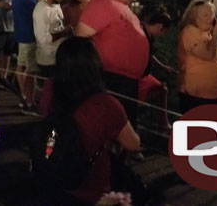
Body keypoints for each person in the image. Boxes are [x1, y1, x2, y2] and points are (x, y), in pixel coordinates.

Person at [36, 37, 141, 205]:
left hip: (53, 171)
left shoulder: (50, 87)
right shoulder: (106, 104)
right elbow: (133, 144)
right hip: (91, 188)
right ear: (95, 64)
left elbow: (46, 114)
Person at [75, 0, 149, 127]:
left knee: (124, 122)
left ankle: (125, 148)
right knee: (116, 123)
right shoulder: (103, 3)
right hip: (113, 78)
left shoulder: (120, 5)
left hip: (126, 79)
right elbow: (80, 37)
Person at [177, 0, 217, 113]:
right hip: (196, 97)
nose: (210, 18)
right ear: (194, 17)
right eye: (205, 15)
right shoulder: (190, 32)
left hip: (211, 96)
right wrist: (216, 34)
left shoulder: (205, 34)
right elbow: (208, 55)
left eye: (212, 14)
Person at [12, 0, 41, 114]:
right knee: (31, 70)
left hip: (23, 33)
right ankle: (28, 101)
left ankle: (25, 96)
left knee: (21, 66)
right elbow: (40, 9)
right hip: (28, 34)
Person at [139, 11, 175, 130]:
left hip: (144, 75)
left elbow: (150, 55)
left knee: (161, 90)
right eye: (163, 31)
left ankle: (163, 122)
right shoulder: (141, 34)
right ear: (160, 26)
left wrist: (162, 66)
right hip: (137, 76)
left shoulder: (148, 35)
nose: (163, 34)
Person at [33, 0, 72, 78]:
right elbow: (43, 39)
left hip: (57, 56)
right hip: (48, 60)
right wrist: (64, 32)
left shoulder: (55, 4)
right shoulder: (42, 10)